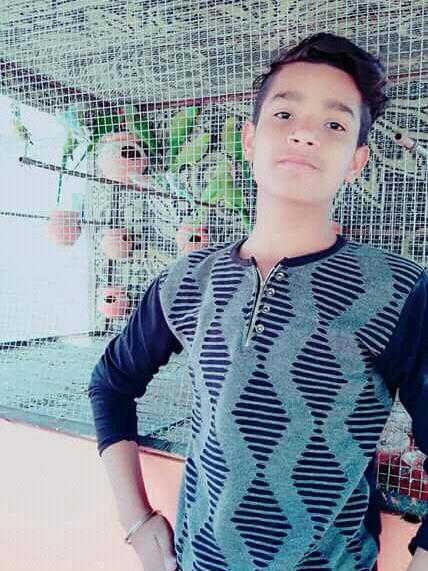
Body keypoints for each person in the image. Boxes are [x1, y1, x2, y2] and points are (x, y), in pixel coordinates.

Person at [88, 32, 428, 571]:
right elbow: (110, 383)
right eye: (284, 114)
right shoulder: (187, 280)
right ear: (250, 139)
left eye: (335, 125)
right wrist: (137, 521)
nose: (305, 134)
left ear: (356, 161)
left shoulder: (398, 290)